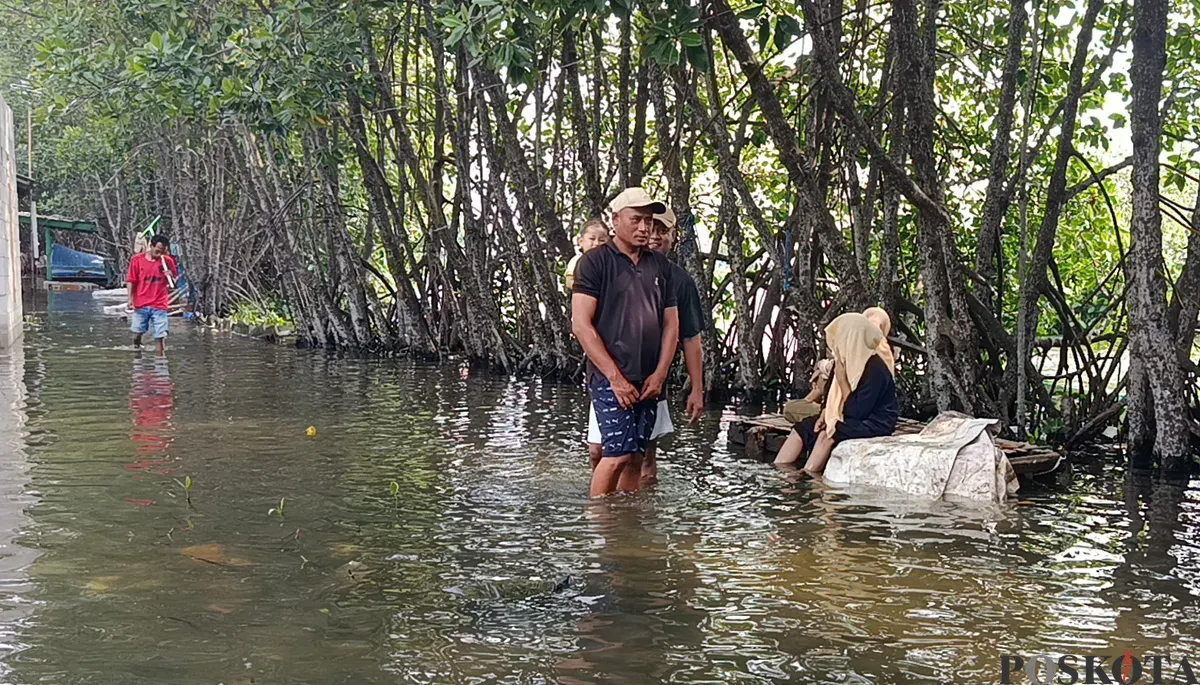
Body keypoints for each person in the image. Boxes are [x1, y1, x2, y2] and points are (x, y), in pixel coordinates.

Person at [572, 187, 680, 497]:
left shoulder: (660, 266)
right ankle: (598, 527)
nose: (645, 228)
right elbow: (581, 325)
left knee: (635, 456)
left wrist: (660, 374)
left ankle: (626, 525)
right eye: (636, 220)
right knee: (615, 454)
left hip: (648, 378)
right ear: (615, 220)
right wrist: (615, 378)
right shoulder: (594, 263)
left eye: (648, 221)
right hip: (609, 376)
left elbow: (671, 325)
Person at [584, 206, 705, 478]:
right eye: (650, 225)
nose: (653, 234)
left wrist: (697, 389)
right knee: (599, 451)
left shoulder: (680, 280)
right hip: (610, 377)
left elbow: (690, 337)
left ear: (674, 237)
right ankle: (606, 512)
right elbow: (587, 323)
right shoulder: (609, 265)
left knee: (642, 455)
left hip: (651, 380)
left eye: (663, 230)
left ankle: (637, 515)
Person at [774, 312, 899, 475]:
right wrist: (824, 415)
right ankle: (778, 472)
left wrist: (842, 380)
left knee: (829, 433)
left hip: (874, 422)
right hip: (847, 414)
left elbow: (857, 412)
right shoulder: (842, 361)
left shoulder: (875, 368)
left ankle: (807, 476)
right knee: (802, 428)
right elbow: (830, 397)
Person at [126, 234, 178, 355]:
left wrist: (170, 276)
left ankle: (161, 362)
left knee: (160, 335)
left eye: (163, 252)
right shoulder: (137, 260)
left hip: (159, 304)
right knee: (137, 333)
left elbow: (174, 284)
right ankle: (137, 352)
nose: (160, 255)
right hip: (141, 303)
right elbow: (131, 280)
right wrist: (130, 299)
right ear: (151, 246)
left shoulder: (167, 261)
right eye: (157, 251)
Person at [565, 218, 609, 292]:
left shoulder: (609, 262)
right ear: (581, 242)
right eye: (592, 239)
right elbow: (569, 281)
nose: (596, 243)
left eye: (602, 240)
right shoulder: (577, 260)